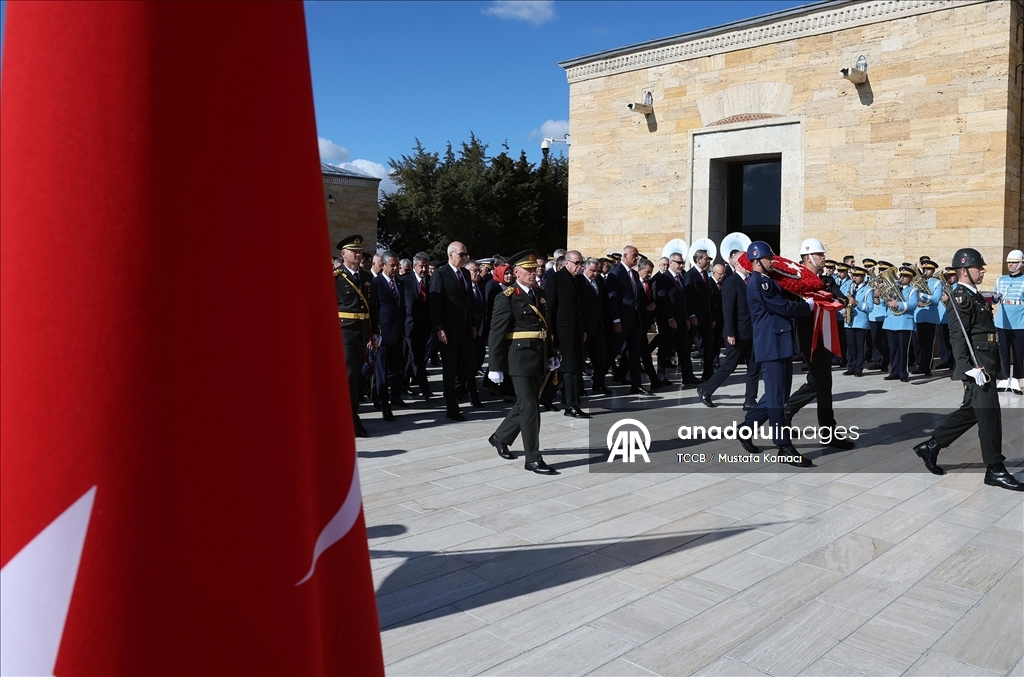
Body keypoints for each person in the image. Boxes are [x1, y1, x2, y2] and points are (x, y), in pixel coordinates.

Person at [913, 248, 1023, 491]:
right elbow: (957, 335)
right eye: (978, 267)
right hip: (978, 367)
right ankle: (995, 469)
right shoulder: (960, 296)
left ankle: (931, 446)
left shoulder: (973, 295)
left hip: (985, 364)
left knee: (972, 412)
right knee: (990, 415)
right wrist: (968, 368)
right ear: (964, 271)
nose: (983, 270)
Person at [737, 241, 815, 467]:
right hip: (771, 345)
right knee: (777, 400)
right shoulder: (760, 283)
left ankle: (746, 428)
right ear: (756, 261)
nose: (773, 261)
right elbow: (782, 307)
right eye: (769, 258)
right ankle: (783, 445)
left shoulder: (767, 281)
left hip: (778, 343)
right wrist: (807, 307)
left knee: (776, 396)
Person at [487, 250, 560, 475]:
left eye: (534, 269)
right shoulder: (506, 297)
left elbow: (546, 327)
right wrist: (494, 366)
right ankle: (532, 458)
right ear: (515, 272)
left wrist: (552, 352)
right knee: (530, 407)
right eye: (527, 270)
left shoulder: (540, 293)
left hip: (539, 357)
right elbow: (496, 333)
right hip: (518, 359)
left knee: (524, 404)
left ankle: (500, 436)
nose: (532, 273)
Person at [783, 238, 856, 451]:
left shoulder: (827, 281)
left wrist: (837, 300)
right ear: (807, 257)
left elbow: (842, 298)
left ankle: (827, 430)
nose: (824, 257)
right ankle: (787, 412)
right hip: (807, 335)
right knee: (819, 382)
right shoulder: (795, 280)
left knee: (824, 383)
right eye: (820, 254)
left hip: (825, 334)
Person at [698, 247, 760, 409]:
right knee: (729, 366)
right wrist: (730, 332)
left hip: (752, 331)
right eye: (747, 262)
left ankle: (750, 400)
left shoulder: (751, 280)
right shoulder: (732, 282)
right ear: (739, 264)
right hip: (737, 333)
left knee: (754, 367)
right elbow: (728, 309)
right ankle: (706, 389)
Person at [429, 240, 481, 421]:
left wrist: (473, 324)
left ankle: (459, 388)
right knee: (449, 368)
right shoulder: (440, 274)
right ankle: (451, 406)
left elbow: (469, 301)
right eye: (462, 254)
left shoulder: (465, 274)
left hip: (466, 327)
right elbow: (435, 303)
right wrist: (439, 327)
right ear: (451, 255)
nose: (465, 258)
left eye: (466, 254)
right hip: (448, 329)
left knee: (471, 364)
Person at [334, 234, 377, 438]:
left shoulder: (367, 277)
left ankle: (349, 416)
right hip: (344, 333)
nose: (358, 254)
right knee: (349, 376)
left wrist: (375, 332)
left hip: (361, 332)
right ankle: (351, 419)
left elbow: (373, 307)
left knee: (356, 376)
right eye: (354, 251)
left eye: (359, 251)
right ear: (343, 254)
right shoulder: (336, 277)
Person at [547, 250, 590, 418]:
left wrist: (584, 328)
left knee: (573, 368)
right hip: (561, 331)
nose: (580, 266)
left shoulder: (580, 280)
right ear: (566, 263)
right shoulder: (555, 279)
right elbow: (550, 308)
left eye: (581, 263)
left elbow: (583, 308)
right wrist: (550, 331)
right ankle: (569, 405)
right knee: (566, 369)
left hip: (576, 331)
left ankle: (570, 402)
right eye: (577, 263)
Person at [606, 245, 652, 395]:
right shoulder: (616, 273)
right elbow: (612, 299)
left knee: (634, 353)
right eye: (634, 255)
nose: (637, 258)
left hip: (635, 320)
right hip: (622, 320)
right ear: (625, 256)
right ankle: (598, 380)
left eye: (637, 255)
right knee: (613, 351)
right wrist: (616, 320)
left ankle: (636, 385)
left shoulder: (633, 273)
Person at [372, 251, 408, 421]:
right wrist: (374, 333)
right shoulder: (376, 283)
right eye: (392, 265)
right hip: (383, 334)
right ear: (383, 265)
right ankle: (384, 405)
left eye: (397, 265)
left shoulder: (399, 283)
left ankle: (395, 397)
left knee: (396, 370)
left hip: (397, 333)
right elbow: (374, 309)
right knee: (381, 373)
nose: (395, 268)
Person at [655, 251, 689, 391]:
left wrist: (686, 317)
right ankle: (661, 375)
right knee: (664, 348)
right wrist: (669, 318)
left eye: (682, 262)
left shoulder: (681, 277)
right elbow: (662, 299)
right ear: (671, 262)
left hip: (681, 320)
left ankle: (688, 376)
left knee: (684, 348)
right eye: (678, 262)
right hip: (668, 321)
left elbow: (683, 300)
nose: (681, 265)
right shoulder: (664, 278)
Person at [401, 252, 433, 400]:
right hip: (409, 326)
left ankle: (404, 382)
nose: (424, 270)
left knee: (413, 356)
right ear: (414, 266)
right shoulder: (404, 281)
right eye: (421, 266)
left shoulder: (431, 281)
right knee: (416, 357)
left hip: (425, 326)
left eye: (426, 266)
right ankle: (425, 389)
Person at [882, 265, 919, 382]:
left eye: (905, 276)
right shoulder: (893, 288)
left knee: (903, 350)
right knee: (893, 349)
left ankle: (903, 372)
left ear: (911, 278)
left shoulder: (913, 290)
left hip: (904, 322)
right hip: (890, 322)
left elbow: (913, 304)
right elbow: (884, 303)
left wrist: (899, 304)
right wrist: (883, 292)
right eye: (901, 275)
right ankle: (894, 371)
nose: (902, 278)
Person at [684, 247, 716, 383]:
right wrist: (690, 315)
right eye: (705, 258)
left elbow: (709, 298)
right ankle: (688, 375)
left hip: (706, 317)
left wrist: (712, 317)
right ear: (698, 260)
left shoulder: (706, 275)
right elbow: (687, 296)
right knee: (688, 345)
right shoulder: (690, 275)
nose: (708, 260)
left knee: (710, 344)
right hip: (695, 318)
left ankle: (708, 372)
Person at [581, 258, 612, 396]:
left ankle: (599, 384)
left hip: (598, 326)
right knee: (580, 358)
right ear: (584, 269)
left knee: (601, 356)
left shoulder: (599, 281)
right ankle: (579, 387)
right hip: (585, 327)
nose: (595, 274)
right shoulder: (580, 282)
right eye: (592, 271)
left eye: (597, 271)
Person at [993, 249, 1024, 388]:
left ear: (1021, 263)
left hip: (1020, 321)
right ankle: (1004, 377)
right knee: (1003, 351)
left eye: (1014, 262)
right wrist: (994, 298)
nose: (1010, 265)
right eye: (1009, 262)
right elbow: (994, 301)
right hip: (1002, 321)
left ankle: (1017, 378)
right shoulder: (1000, 280)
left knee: (1019, 352)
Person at [911, 260, 943, 376]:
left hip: (930, 317)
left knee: (928, 344)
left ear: (933, 270)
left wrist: (922, 295)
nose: (925, 271)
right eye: (924, 269)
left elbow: (935, 299)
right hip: (918, 316)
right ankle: (919, 365)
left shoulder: (937, 283)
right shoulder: (916, 282)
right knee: (917, 343)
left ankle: (927, 367)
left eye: (928, 269)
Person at [842, 266, 874, 377]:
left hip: (860, 322)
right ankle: (851, 366)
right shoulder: (850, 288)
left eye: (857, 276)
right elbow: (845, 302)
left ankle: (859, 368)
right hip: (849, 321)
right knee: (850, 346)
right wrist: (843, 311)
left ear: (863, 277)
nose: (854, 278)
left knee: (860, 346)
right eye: (853, 276)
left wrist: (856, 303)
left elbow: (870, 307)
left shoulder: (868, 290)